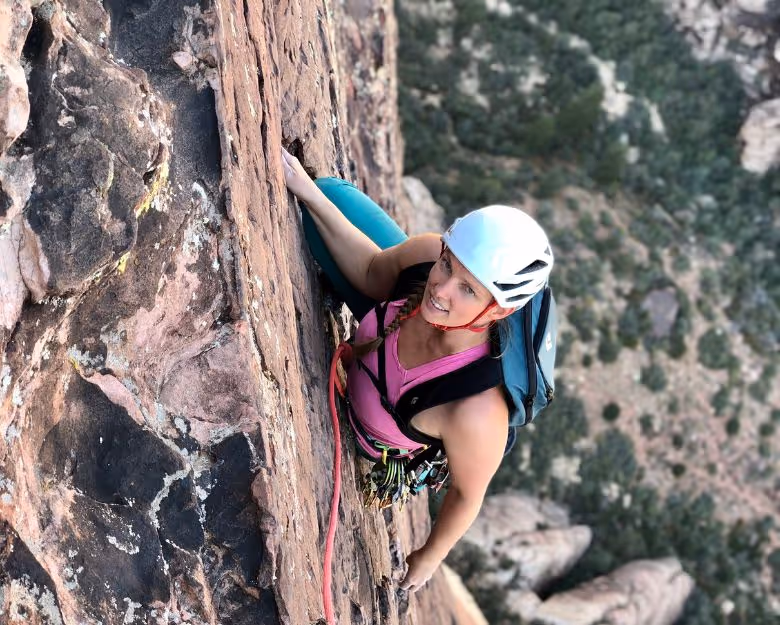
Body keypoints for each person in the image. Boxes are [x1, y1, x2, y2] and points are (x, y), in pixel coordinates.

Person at [281, 147, 553, 593]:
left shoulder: (475, 410)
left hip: (383, 433)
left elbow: (466, 494)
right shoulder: (428, 258)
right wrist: (308, 193)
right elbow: (372, 273)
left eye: (467, 288)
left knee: (329, 212)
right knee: (326, 196)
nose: (441, 290)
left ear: (499, 310)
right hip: (386, 323)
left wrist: (431, 555)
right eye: (448, 264)